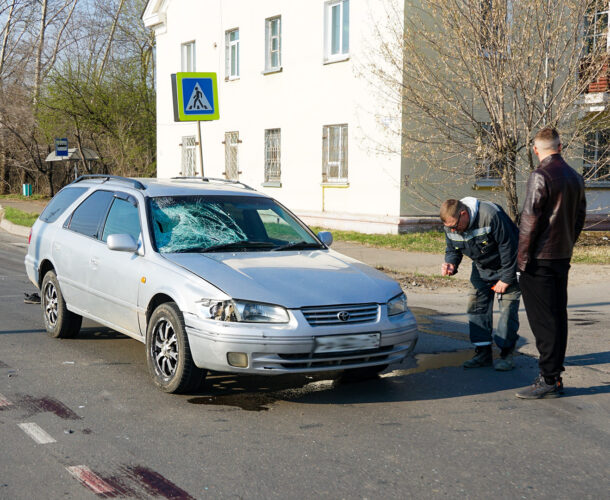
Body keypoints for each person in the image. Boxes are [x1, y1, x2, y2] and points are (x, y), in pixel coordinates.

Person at [515, 127, 586, 399]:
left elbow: (529, 221)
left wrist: (522, 261)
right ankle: (553, 377)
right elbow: (579, 218)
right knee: (558, 316)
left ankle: (548, 379)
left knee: (544, 321)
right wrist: (567, 243)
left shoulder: (540, 175)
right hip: (561, 256)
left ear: (536, 150)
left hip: (540, 260)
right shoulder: (575, 177)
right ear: (561, 146)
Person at [440, 197, 520, 371]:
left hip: (507, 266)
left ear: (463, 214)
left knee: (508, 310)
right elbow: (453, 249)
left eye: (455, 225)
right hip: (481, 267)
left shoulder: (491, 215)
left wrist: (506, 279)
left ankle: (506, 355)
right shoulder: (450, 225)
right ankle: (482, 354)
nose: (453, 229)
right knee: (476, 307)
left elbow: (510, 247)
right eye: (449, 227)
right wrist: (451, 263)